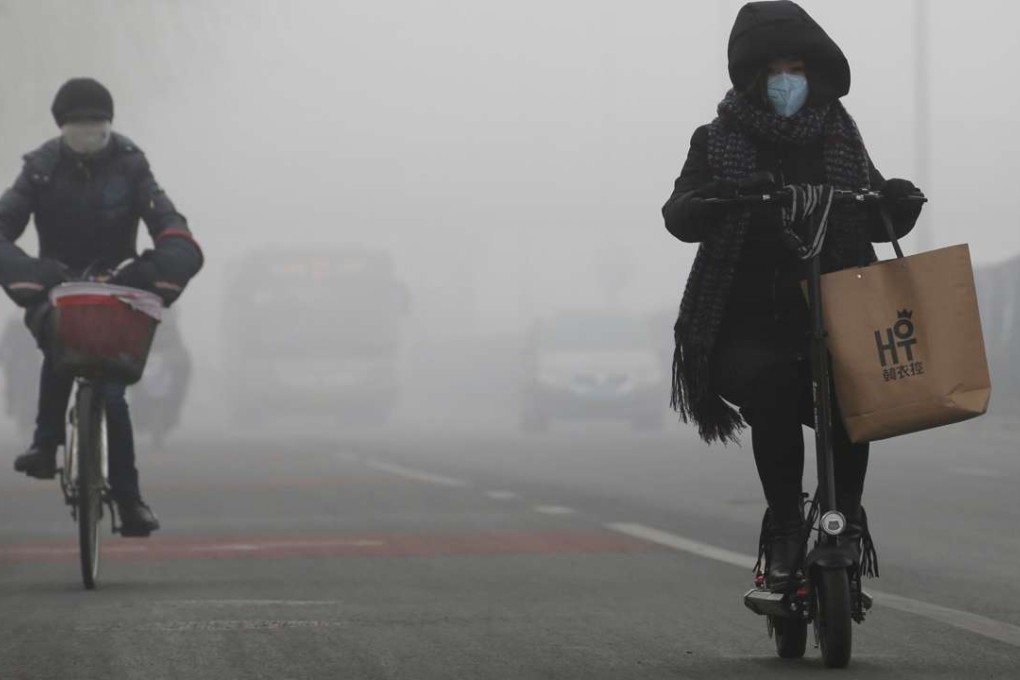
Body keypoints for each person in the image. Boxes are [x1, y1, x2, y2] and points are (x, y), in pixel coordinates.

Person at [662, 1, 924, 591]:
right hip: (750, 315)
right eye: (777, 69)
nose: (789, 80)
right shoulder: (716, 140)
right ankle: (783, 529)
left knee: (850, 400)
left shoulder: (840, 134)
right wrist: (720, 199)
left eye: (798, 68)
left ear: (817, 74)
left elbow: (874, 209)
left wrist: (898, 203)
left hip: (838, 310)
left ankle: (846, 523)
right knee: (773, 391)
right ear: (755, 78)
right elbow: (680, 213)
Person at [0, 78, 203, 536]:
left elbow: (170, 224)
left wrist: (151, 271)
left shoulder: (132, 165)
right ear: (61, 130)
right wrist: (33, 275)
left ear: (110, 126)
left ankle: (129, 501)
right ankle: (44, 443)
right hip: (55, 285)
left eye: (97, 126)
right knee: (59, 337)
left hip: (118, 288)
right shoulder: (40, 168)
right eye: (78, 127)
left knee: (112, 391)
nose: (88, 136)